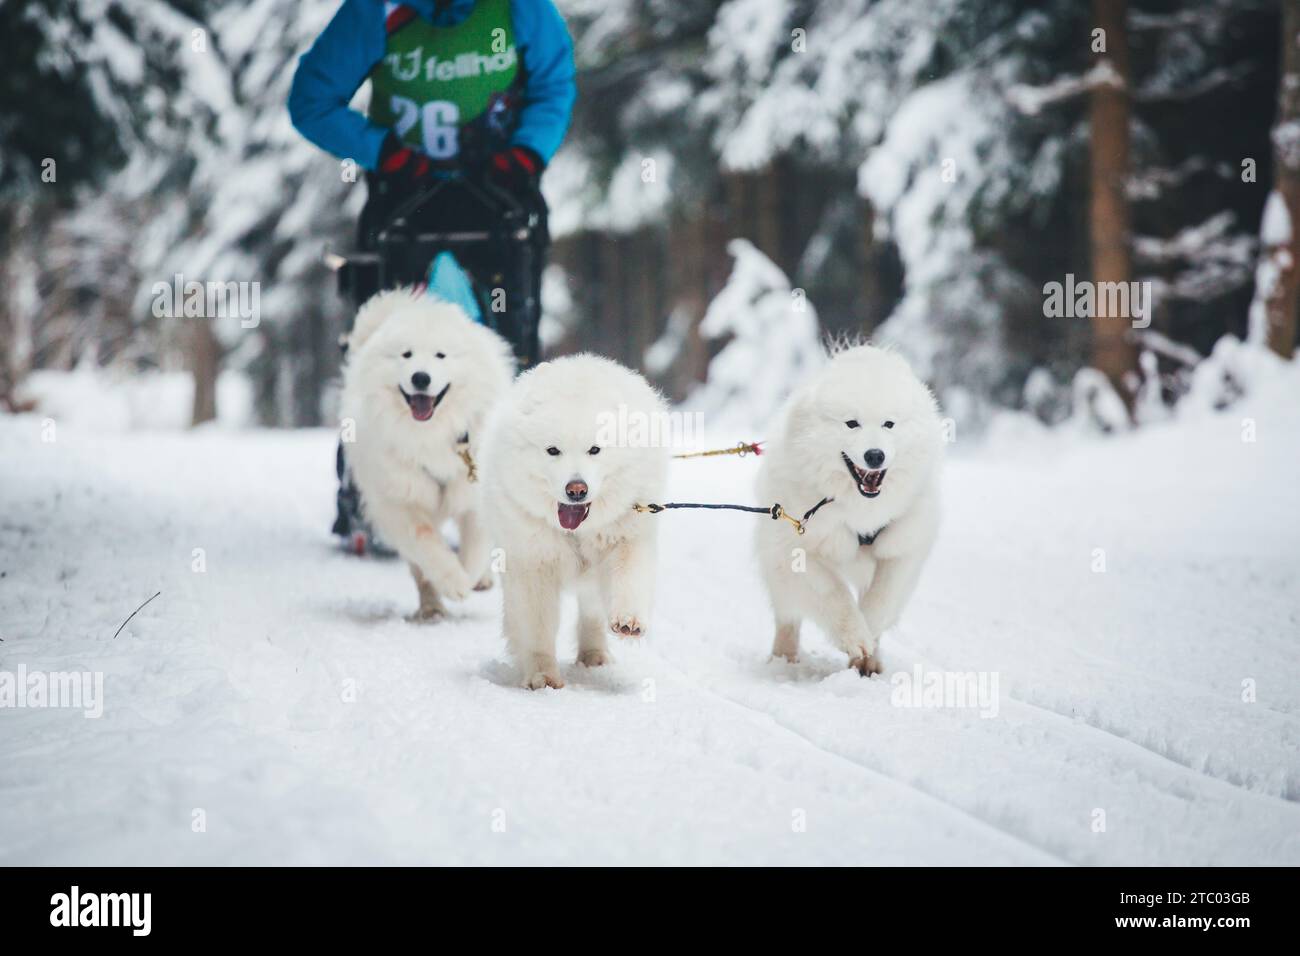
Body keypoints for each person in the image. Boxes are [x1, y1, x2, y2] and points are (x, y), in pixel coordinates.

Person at [288, 0, 575, 549]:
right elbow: (310, 101)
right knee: (386, 346)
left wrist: (526, 152)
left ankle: (520, 492)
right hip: (404, 196)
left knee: (511, 344)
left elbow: (554, 84)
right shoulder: (376, 12)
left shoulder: (520, 9)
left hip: (500, 191)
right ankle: (371, 494)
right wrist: (383, 151)